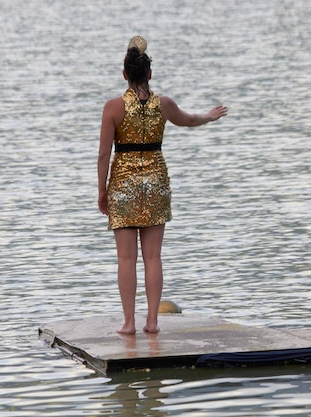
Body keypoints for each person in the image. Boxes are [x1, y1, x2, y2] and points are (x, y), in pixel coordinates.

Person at [97, 36, 227, 335]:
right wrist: (210, 116)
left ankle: (129, 324)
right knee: (153, 256)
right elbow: (190, 120)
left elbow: (104, 154)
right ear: (150, 74)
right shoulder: (164, 105)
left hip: (124, 184)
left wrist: (102, 191)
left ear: (124, 74)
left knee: (126, 258)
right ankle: (152, 322)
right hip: (156, 181)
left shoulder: (112, 108)